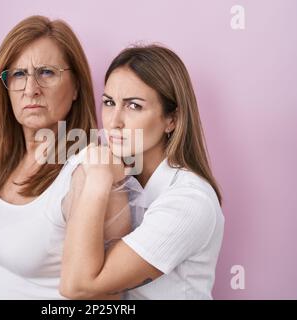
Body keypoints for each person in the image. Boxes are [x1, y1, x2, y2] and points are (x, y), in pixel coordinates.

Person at [60, 44, 225, 300]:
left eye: (134, 106)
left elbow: (78, 286)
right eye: (108, 102)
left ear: (172, 119)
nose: (114, 121)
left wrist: (97, 181)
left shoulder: (189, 202)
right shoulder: (113, 168)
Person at [0, 15, 105, 299]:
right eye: (18, 74)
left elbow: (102, 300)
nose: (31, 89)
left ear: (77, 86)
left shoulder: (86, 173)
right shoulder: (3, 164)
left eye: (47, 72)